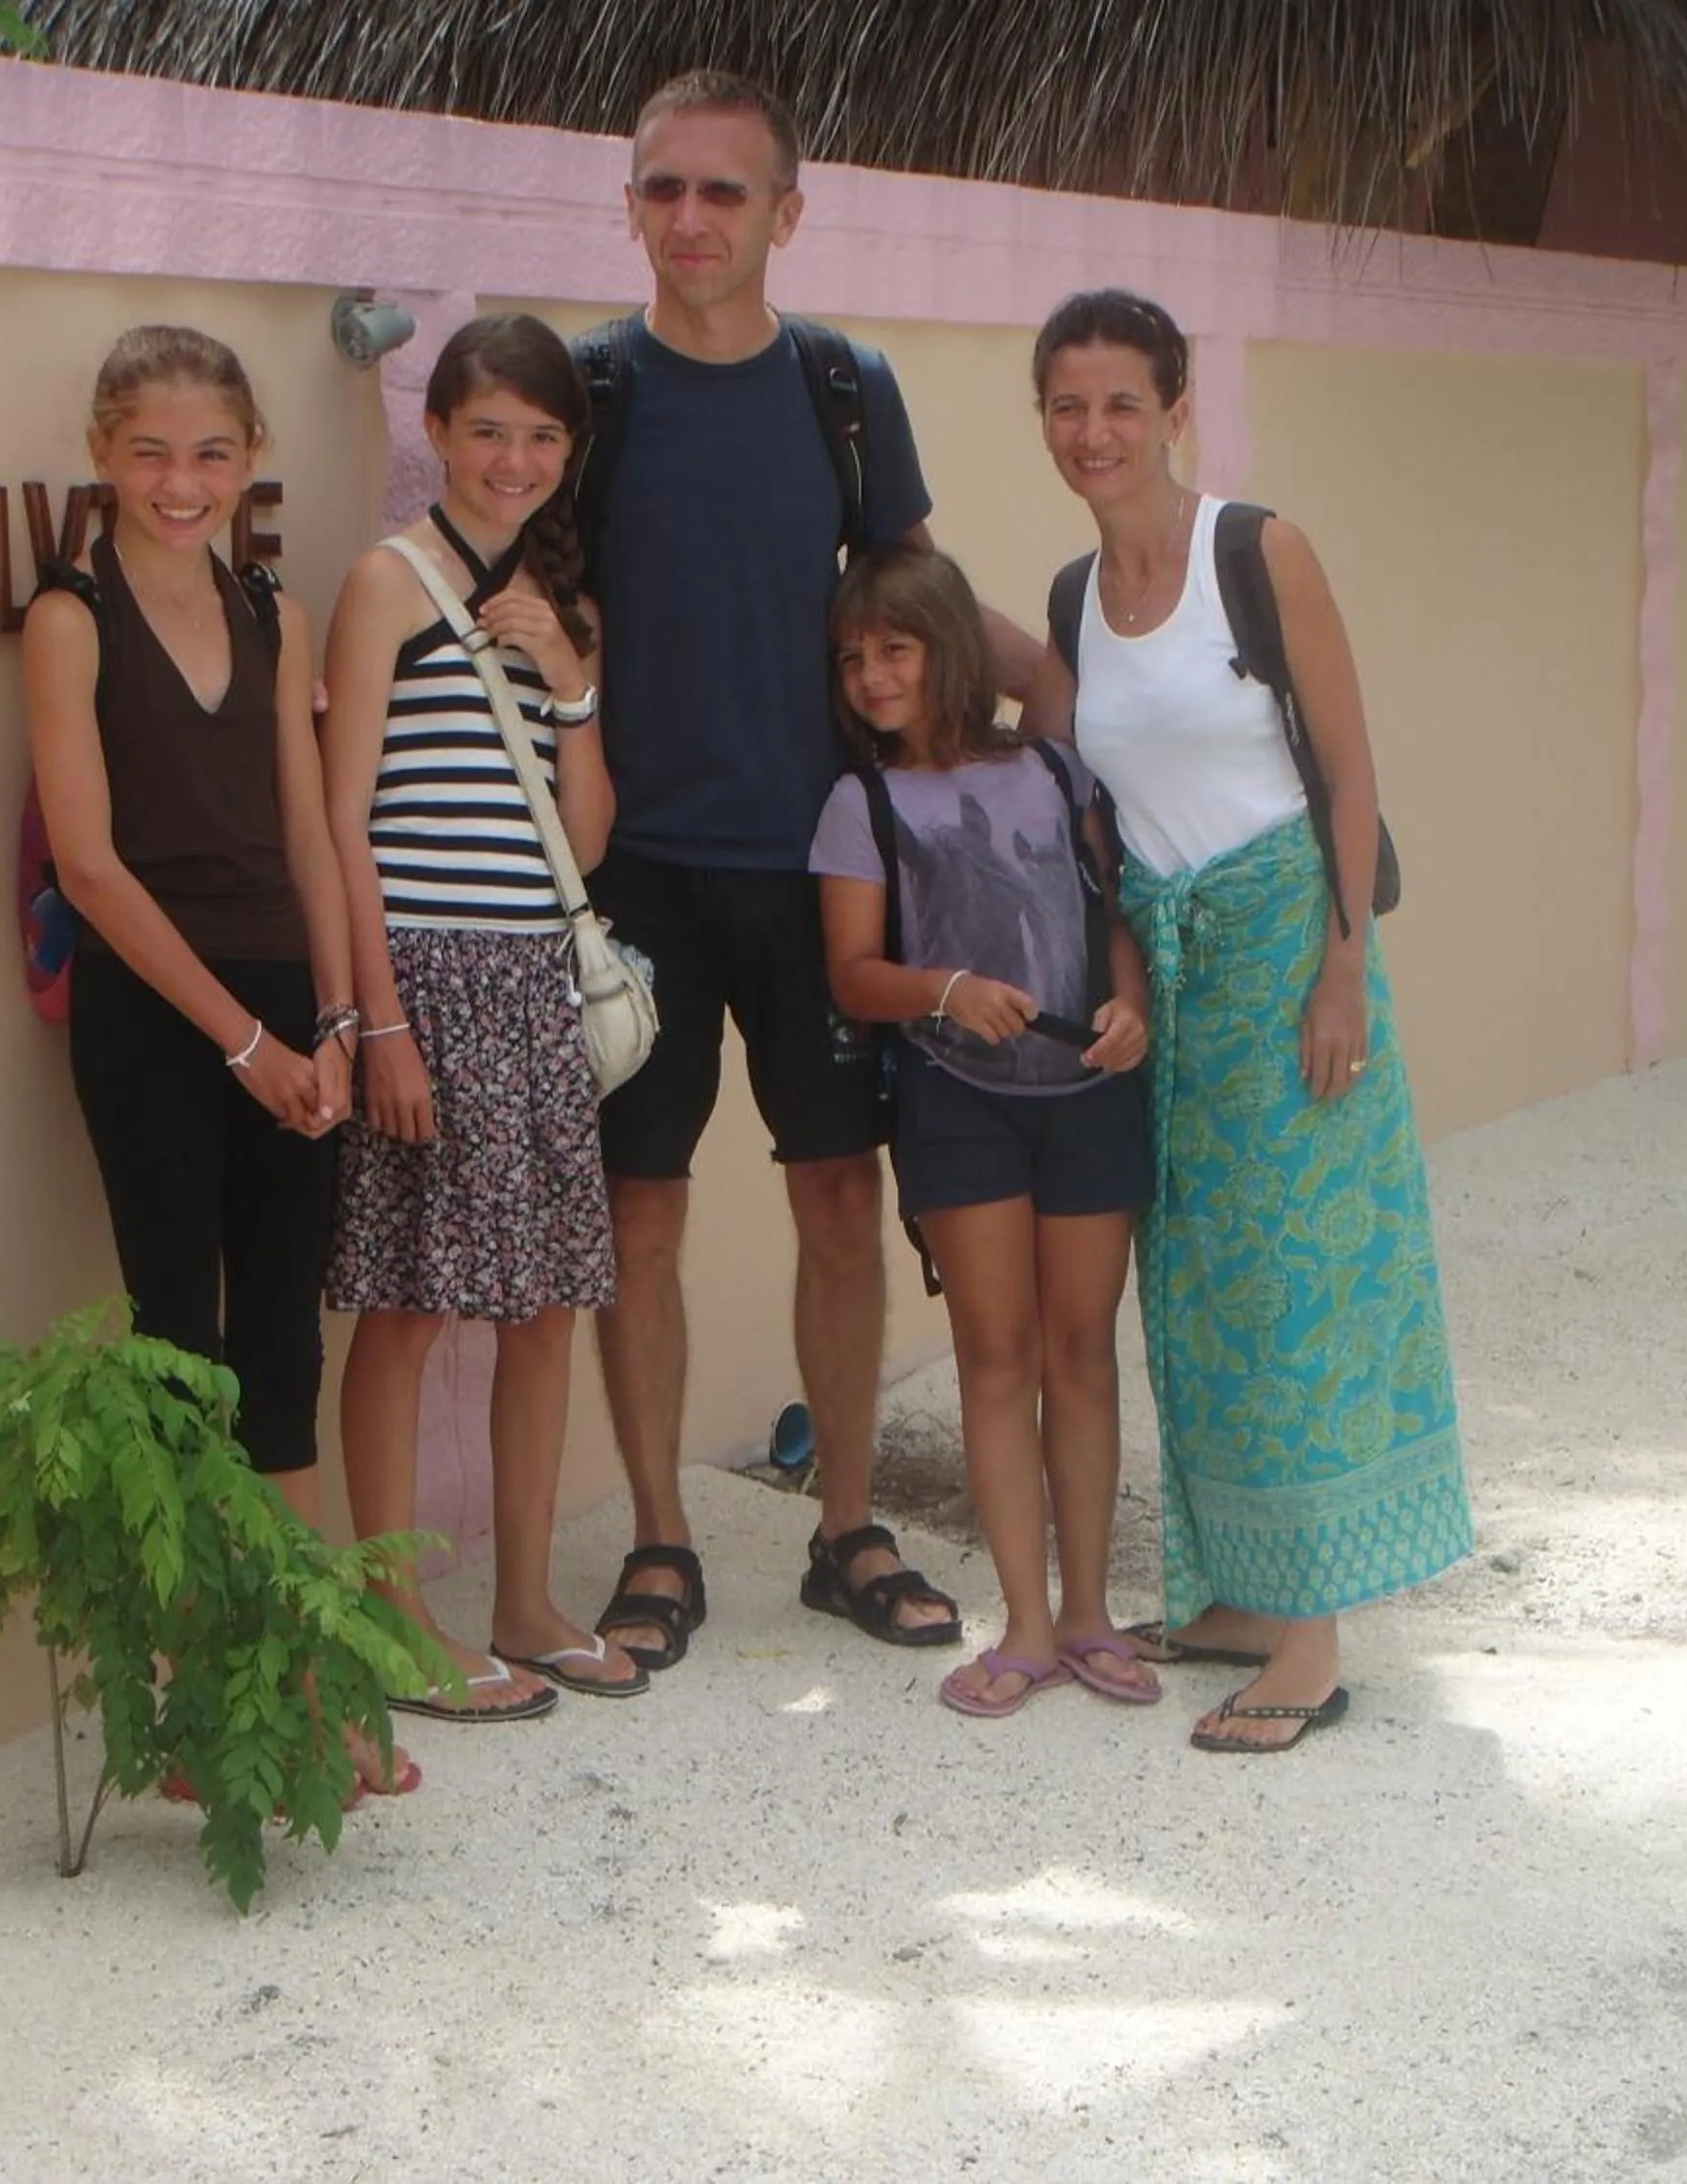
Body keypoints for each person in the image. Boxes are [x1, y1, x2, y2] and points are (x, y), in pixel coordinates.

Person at [575, 70, 1061, 1666]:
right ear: (630, 205)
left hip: (824, 867)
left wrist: (1055, 683)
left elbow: (909, 588)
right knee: (639, 1211)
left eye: (725, 190)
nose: (691, 218)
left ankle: (846, 1528)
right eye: (664, 188)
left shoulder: (844, 387)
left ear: (787, 213)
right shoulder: (590, 394)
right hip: (634, 878)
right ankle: (659, 1540)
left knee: (842, 1196)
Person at [1032, 288, 1471, 1754]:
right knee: (1199, 1285)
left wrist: (1342, 967)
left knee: (1301, 1285)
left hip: (1288, 948)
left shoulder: (1257, 552)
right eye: (1067, 406)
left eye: (1121, 403)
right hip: (1173, 970)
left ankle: (1310, 1635)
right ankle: (1234, 1589)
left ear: (1176, 411)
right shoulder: (1072, 602)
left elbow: (1349, 769)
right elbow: (1078, 801)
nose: (1094, 432)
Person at [21, 323, 412, 1797]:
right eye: (150, 453)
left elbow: (311, 831)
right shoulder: (69, 617)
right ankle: (200, 1710)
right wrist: (238, 1040)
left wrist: (333, 1020)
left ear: (249, 458)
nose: (180, 482)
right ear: (102, 455)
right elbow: (90, 865)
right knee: (181, 1348)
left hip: (286, 1010)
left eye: (209, 453)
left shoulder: (275, 613)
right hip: (155, 1014)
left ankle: (307, 1673)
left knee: (284, 1351)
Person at [317, 314, 646, 1722]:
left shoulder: (567, 606)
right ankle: (393, 1617)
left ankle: (524, 1598)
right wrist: (379, 1022)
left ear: (571, 451)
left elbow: (591, 838)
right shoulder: (385, 583)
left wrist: (571, 682)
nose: (514, 459)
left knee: (545, 1306)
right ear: (439, 432)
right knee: (406, 1305)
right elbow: (342, 819)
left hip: (533, 987)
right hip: (426, 980)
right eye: (490, 430)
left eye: (542, 435)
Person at [809, 546, 1163, 1717]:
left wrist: (1131, 1006)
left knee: (1082, 1350)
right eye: (851, 658)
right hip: (959, 1104)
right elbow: (854, 974)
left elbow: (1113, 914)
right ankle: (1025, 1626)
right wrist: (947, 991)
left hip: (1087, 1092)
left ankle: (1090, 1615)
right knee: (996, 1356)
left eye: (894, 649)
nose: (871, 675)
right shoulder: (859, 803)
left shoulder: (1055, 769)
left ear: (949, 647)